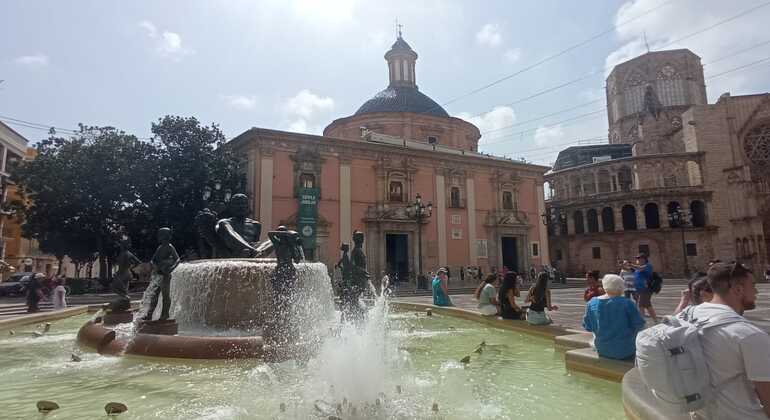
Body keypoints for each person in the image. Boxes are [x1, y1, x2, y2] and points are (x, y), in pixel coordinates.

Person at [690, 262, 770, 419]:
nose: (756, 291)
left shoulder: (686, 316)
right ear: (738, 290)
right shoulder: (748, 335)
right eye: (753, 285)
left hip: (701, 413)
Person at [582, 274, 645, 360]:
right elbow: (639, 325)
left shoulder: (592, 303)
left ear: (604, 286)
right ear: (621, 287)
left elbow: (587, 326)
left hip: (602, 348)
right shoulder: (627, 303)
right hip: (625, 350)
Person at [143, 227, 180, 321]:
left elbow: (178, 259)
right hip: (159, 274)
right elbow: (153, 259)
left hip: (166, 275)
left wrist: (171, 268)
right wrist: (152, 264)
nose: (158, 237)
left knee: (165, 296)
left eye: (160, 235)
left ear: (165, 236)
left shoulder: (170, 246)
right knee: (154, 296)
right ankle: (149, 314)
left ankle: (165, 314)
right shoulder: (160, 247)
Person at [632, 253, 658, 323]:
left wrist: (630, 264)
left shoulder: (647, 266)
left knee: (640, 305)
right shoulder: (637, 268)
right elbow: (632, 269)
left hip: (646, 289)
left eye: (639, 258)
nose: (638, 260)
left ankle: (642, 321)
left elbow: (640, 268)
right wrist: (623, 265)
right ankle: (655, 320)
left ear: (644, 259)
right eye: (637, 259)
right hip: (639, 289)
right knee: (647, 305)